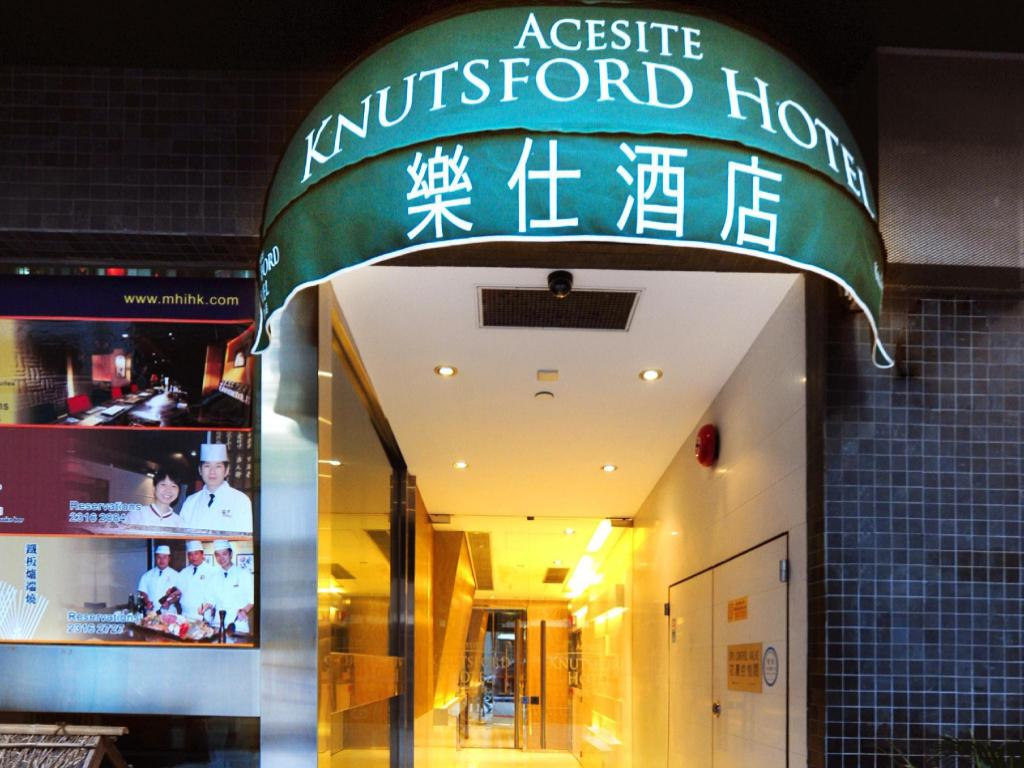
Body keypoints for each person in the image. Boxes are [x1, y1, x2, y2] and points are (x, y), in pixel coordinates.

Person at [179, 442, 252, 534]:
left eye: (218, 466)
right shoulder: (190, 502)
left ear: (226, 470)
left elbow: (246, 536)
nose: (212, 472)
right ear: (200, 470)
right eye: (207, 466)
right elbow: (182, 534)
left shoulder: (241, 500)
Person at [208, 539, 254, 634]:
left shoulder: (244, 574)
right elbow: (211, 600)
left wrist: (244, 610)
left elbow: (252, 600)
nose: (221, 558)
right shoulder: (213, 576)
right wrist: (206, 607)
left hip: (237, 625)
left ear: (231, 554)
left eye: (224, 554)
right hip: (218, 625)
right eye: (218, 555)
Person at [176, 540, 215, 618]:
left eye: (196, 553)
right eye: (190, 554)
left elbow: (215, 594)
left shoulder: (212, 571)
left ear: (202, 554)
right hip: (185, 614)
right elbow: (179, 591)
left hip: (203, 614)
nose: (193, 557)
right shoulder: (184, 572)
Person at [137, 544, 180, 614]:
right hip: (151, 612)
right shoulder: (147, 575)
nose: (161, 560)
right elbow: (143, 592)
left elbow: (178, 595)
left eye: (164, 557)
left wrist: (169, 602)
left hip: (169, 612)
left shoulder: (177, 575)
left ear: (169, 559)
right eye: (159, 557)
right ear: (155, 558)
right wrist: (147, 602)